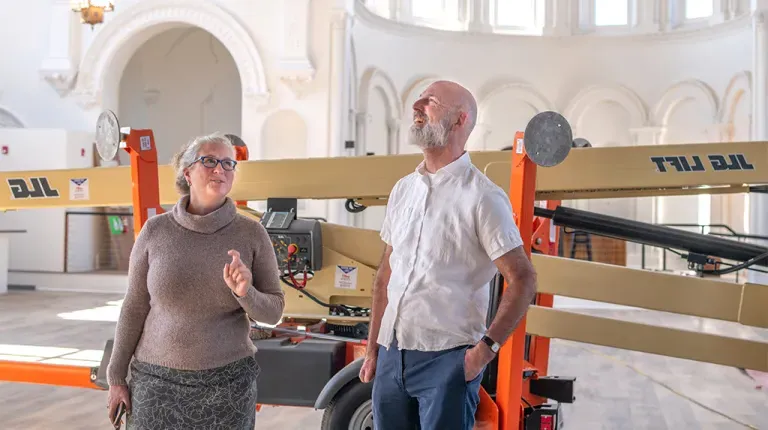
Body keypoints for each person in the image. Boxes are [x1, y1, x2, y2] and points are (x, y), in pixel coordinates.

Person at [359, 80, 538, 429]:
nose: (418, 106)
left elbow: (523, 278)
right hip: (391, 355)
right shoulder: (403, 190)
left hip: (449, 360)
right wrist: (372, 348)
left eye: (431, 102)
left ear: (459, 120)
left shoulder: (483, 197)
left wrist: (483, 353)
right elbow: (386, 276)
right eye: (419, 100)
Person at [105, 133, 285, 429]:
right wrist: (116, 377)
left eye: (229, 163)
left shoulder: (252, 234)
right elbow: (135, 306)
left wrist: (245, 293)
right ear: (187, 172)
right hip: (155, 383)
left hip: (227, 386)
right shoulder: (155, 230)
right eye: (210, 161)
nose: (221, 170)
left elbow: (274, 312)